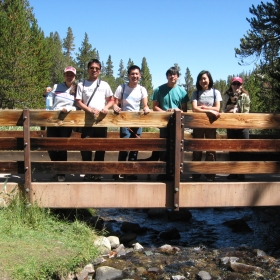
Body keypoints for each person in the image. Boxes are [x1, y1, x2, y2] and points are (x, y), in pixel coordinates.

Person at [75, 58, 114, 181]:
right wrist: (89, 110)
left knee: (100, 147)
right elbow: (78, 101)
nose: (94, 70)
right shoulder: (82, 85)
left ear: (100, 71)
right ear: (88, 70)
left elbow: (111, 100)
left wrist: (106, 107)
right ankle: (87, 171)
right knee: (86, 147)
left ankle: (97, 172)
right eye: (92, 68)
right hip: (87, 120)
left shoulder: (104, 85)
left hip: (101, 121)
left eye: (97, 68)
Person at [113, 65, 150, 180]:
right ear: (128, 75)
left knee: (135, 147)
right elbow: (115, 103)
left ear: (140, 76)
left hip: (137, 121)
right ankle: (120, 170)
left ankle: (130, 172)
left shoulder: (142, 89)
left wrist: (146, 109)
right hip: (125, 121)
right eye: (132, 74)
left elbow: (145, 105)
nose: (134, 76)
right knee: (124, 147)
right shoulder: (122, 88)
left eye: (136, 74)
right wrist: (115, 107)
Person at [151, 66, 189, 180]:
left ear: (178, 77)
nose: (172, 76)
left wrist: (177, 111)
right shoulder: (159, 89)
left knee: (177, 147)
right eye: (170, 74)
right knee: (164, 147)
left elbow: (184, 110)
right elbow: (155, 107)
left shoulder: (182, 91)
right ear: (167, 76)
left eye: (175, 74)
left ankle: (175, 173)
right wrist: (165, 112)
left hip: (177, 124)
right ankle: (163, 172)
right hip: (164, 123)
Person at [43, 66, 77, 182]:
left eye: (71, 75)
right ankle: (56, 168)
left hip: (67, 120)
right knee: (50, 145)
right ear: (64, 75)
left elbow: (78, 104)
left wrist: (68, 108)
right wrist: (46, 93)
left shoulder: (77, 89)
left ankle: (61, 172)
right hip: (53, 119)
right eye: (67, 74)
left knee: (62, 146)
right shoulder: (57, 87)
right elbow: (49, 99)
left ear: (74, 77)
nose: (69, 76)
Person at [191, 70, 222, 182]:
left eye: (205, 78)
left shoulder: (215, 92)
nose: (203, 81)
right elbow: (194, 108)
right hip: (198, 124)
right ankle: (195, 173)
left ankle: (210, 174)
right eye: (201, 79)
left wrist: (203, 108)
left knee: (210, 149)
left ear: (209, 79)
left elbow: (217, 108)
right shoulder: (196, 93)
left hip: (211, 124)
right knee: (197, 148)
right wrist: (210, 110)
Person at [222, 77, 250, 180]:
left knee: (242, 150)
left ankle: (242, 173)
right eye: (234, 84)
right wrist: (229, 112)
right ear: (231, 85)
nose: (236, 86)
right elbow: (223, 110)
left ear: (241, 85)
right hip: (230, 126)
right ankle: (233, 173)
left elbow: (246, 111)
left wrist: (237, 112)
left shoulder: (245, 97)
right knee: (232, 150)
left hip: (242, 126)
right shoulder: (226, 95)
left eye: (238, 84)